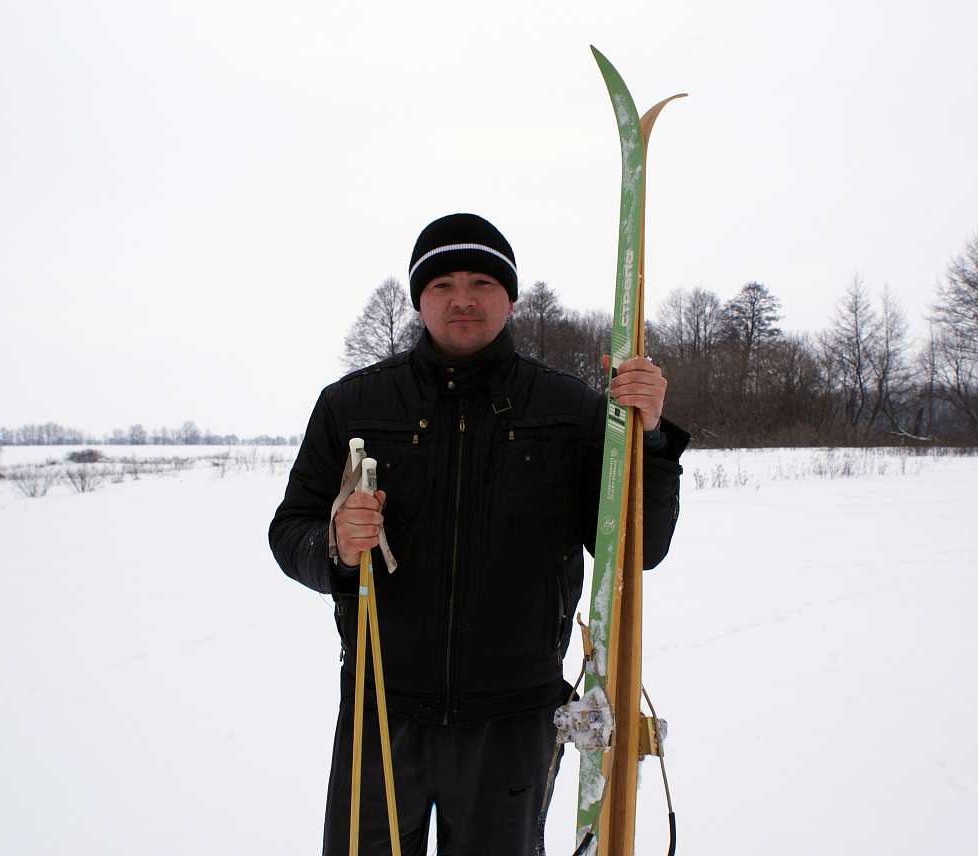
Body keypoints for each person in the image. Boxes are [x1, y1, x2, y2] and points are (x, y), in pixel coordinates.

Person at [268, 212, 688, 855]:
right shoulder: (352, 406)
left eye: (481, 282)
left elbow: (638, 548)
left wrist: (650, 439)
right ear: (418, 299)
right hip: (382, 708)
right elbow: (288, 531)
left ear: (511, 297)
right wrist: (336, 546)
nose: (462, 299)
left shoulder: (569, 410)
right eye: (442, 284)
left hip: (515, 718)